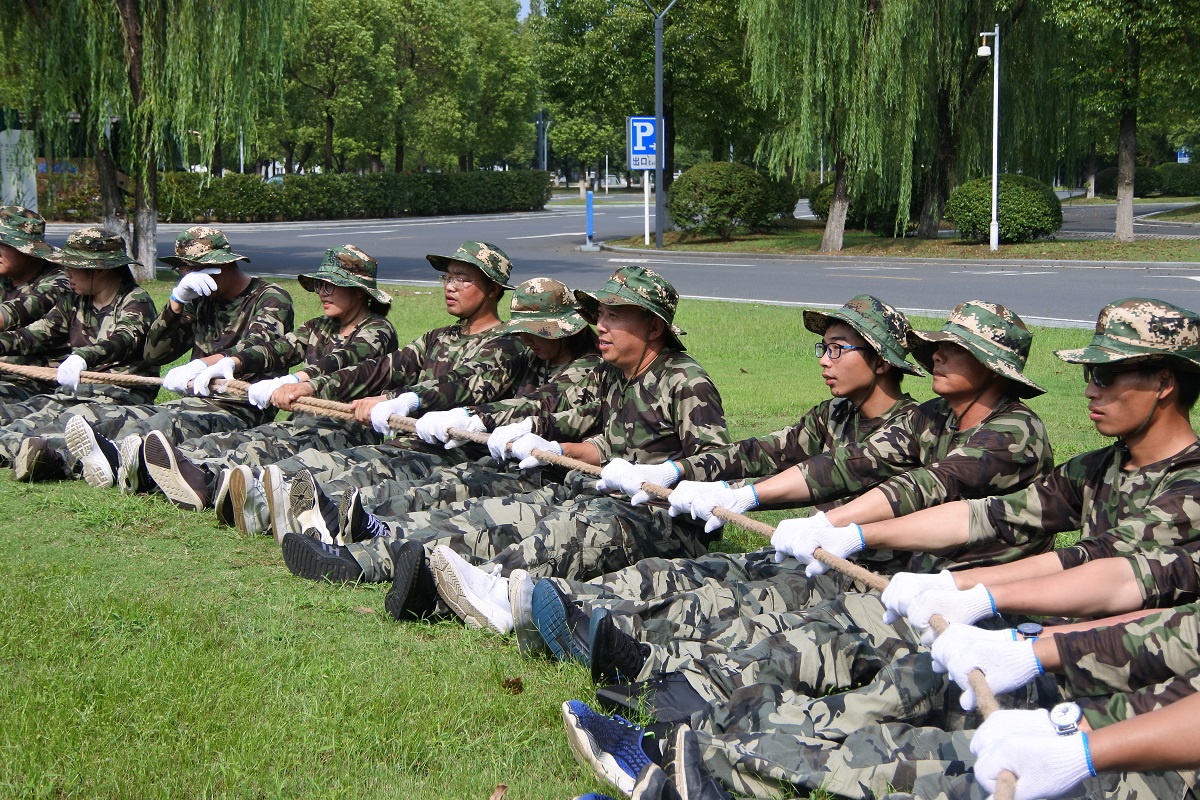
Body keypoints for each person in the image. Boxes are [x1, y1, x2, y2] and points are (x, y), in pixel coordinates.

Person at [568, 298, 1200, 800]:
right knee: (847, 663)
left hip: (1070, 648)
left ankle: (693, 743)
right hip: (1002, 620)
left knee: (910, 731)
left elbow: (1109, 572)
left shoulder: (1045, 441)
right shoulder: (1093, 464)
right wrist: (830, 525)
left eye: (1107, 375)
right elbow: (973, 509)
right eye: (1089, 374)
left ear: (1164, 383)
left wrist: (980, 602)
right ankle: (686, 731)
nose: (1090, 389)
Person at [540, 300, 1053, 683]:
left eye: (956, 350)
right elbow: (840, 462)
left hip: (945, 597)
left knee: (779, 628)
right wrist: (699, 479)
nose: (938, 355)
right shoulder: (930, 416)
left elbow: (923, 486)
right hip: (876, 571)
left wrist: (835, 526)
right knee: (717, 577)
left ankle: (655, 668)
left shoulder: (1014, 433)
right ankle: (589, 615)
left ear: (991, 365)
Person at [280, 266, 729, 634]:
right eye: (601, 315)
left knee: (566, 532)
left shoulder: (685, 381)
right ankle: (361, 556)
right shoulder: (617, 374)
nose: (601, 326)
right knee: (505, 512)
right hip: (597, 491)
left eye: (615, 317)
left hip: (664, 519)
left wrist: (667, 474)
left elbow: (718, 463)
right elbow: (596, 439)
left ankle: (460, 590)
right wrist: (553, 445)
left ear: (654, 326)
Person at [522, 295, 923, 664]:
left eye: (837, 349)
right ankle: (566, 602)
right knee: (695, 571)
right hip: (807, 554)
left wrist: (741, 495)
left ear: (881, 361)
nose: (824, 361)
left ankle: (610, 637)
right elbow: (761, 451)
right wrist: (677, 471)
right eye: (824, 348)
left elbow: (828, 472)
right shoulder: (835, 413)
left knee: (727, 602)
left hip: (859, 575)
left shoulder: (909, 428)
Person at [254, 276, 602, 550]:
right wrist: (400, 398)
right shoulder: (526, 351)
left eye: (538, 333)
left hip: (540, 470)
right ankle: (318, 510)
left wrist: (471, 416)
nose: (528, 339)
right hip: (487, 453)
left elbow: (539, 403)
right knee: (413, 479)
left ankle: (348, 521)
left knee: (443, 493)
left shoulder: (588, 365)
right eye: (448, 277)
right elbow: (448, 377)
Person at [109, 245, 398, 516]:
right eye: (320, 285)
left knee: (264, 452)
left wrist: (294, 379)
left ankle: (204, 484)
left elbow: (341, 361)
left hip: (346, 431)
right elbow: (278, 348)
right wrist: (230, 363)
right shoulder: (319, 326)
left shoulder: (377, 330)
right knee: (238, 441)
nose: (322, 292)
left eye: (331, 286)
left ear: (358, 291)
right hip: (300, 422)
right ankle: (162, 469)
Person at [11, 226, 294, 486]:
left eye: (196, 269)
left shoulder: (270, 297)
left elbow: (256, 347)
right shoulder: (201, 299)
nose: (189, 276)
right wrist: (176, 303)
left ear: (224, 264)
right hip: (196, 400)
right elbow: (155, 353)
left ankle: (65, 462)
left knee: (156, 427)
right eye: (185, 270)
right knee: (130, 420)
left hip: (238, 407)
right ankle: (49, 453)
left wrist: (200, 364)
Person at [0, 227, 158, 471]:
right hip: (75, 391)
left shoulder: (135, 300)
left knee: (56, 428)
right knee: (20, 417)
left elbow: (124, 339)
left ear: (99, 270)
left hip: (120, 396)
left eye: (73, 267)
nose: (67, 273)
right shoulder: (74, 301)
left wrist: (82, 357)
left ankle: (44, 460)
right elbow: (33, 336)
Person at [0, 205, 71, 403]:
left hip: (35, 382)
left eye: (3, 244)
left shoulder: (58, 283)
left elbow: (8, 315)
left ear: (27, 249)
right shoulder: (6, 276)